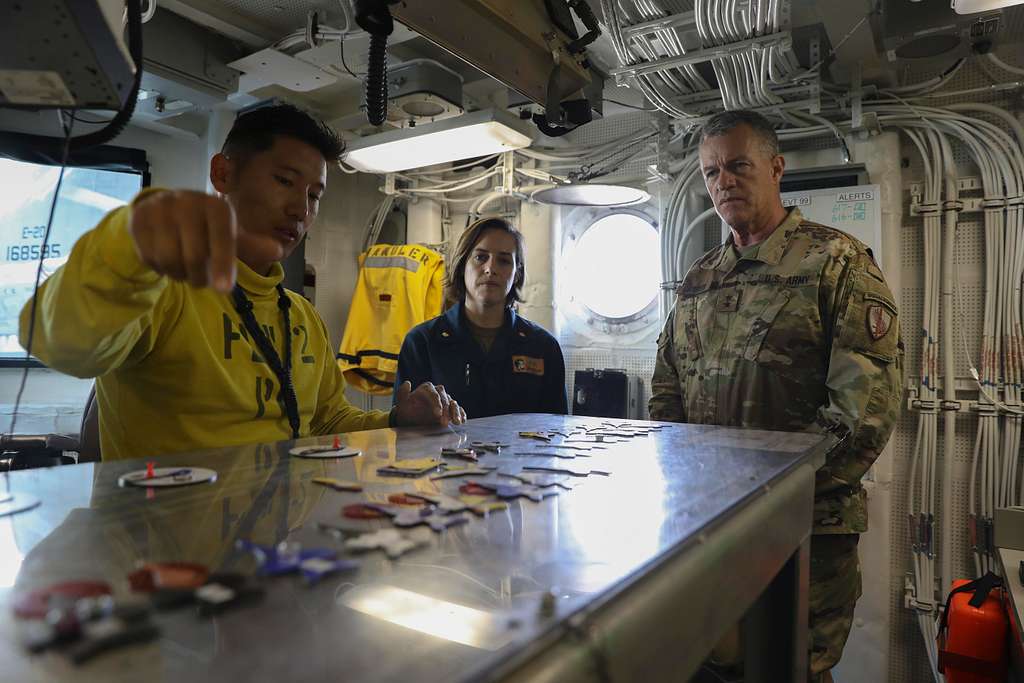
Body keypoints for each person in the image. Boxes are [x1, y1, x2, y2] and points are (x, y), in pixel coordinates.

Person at [20, 104, 464, 462]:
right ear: (222, 174)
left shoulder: (303, 317)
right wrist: (127, 241)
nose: (300, 210)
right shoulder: (162, 289)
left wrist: (395, 421)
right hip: (162, 558)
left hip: (274, 555)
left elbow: (327, 422)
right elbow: (58, 342)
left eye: (314, 196)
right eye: (284, 181)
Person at [649, 110, 903, 682]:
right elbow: (667, 393)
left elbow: (863, 411)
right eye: (712, 172)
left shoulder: (835, 261)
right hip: (710, 526)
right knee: (717, 663)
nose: (724, 183)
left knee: (792, 668)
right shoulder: (699, 279)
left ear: (776, 167)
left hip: (804, 528)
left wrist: (769, 498)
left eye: (738, 166)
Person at [394, 217, 567, 418]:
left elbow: (556, 431)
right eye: (480, 257)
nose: (490, 268)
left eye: (503, 260)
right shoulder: (422, 342)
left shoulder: (543, 347)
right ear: (461, 265)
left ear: (517, 273)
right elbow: (405, 428)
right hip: (445, 450)